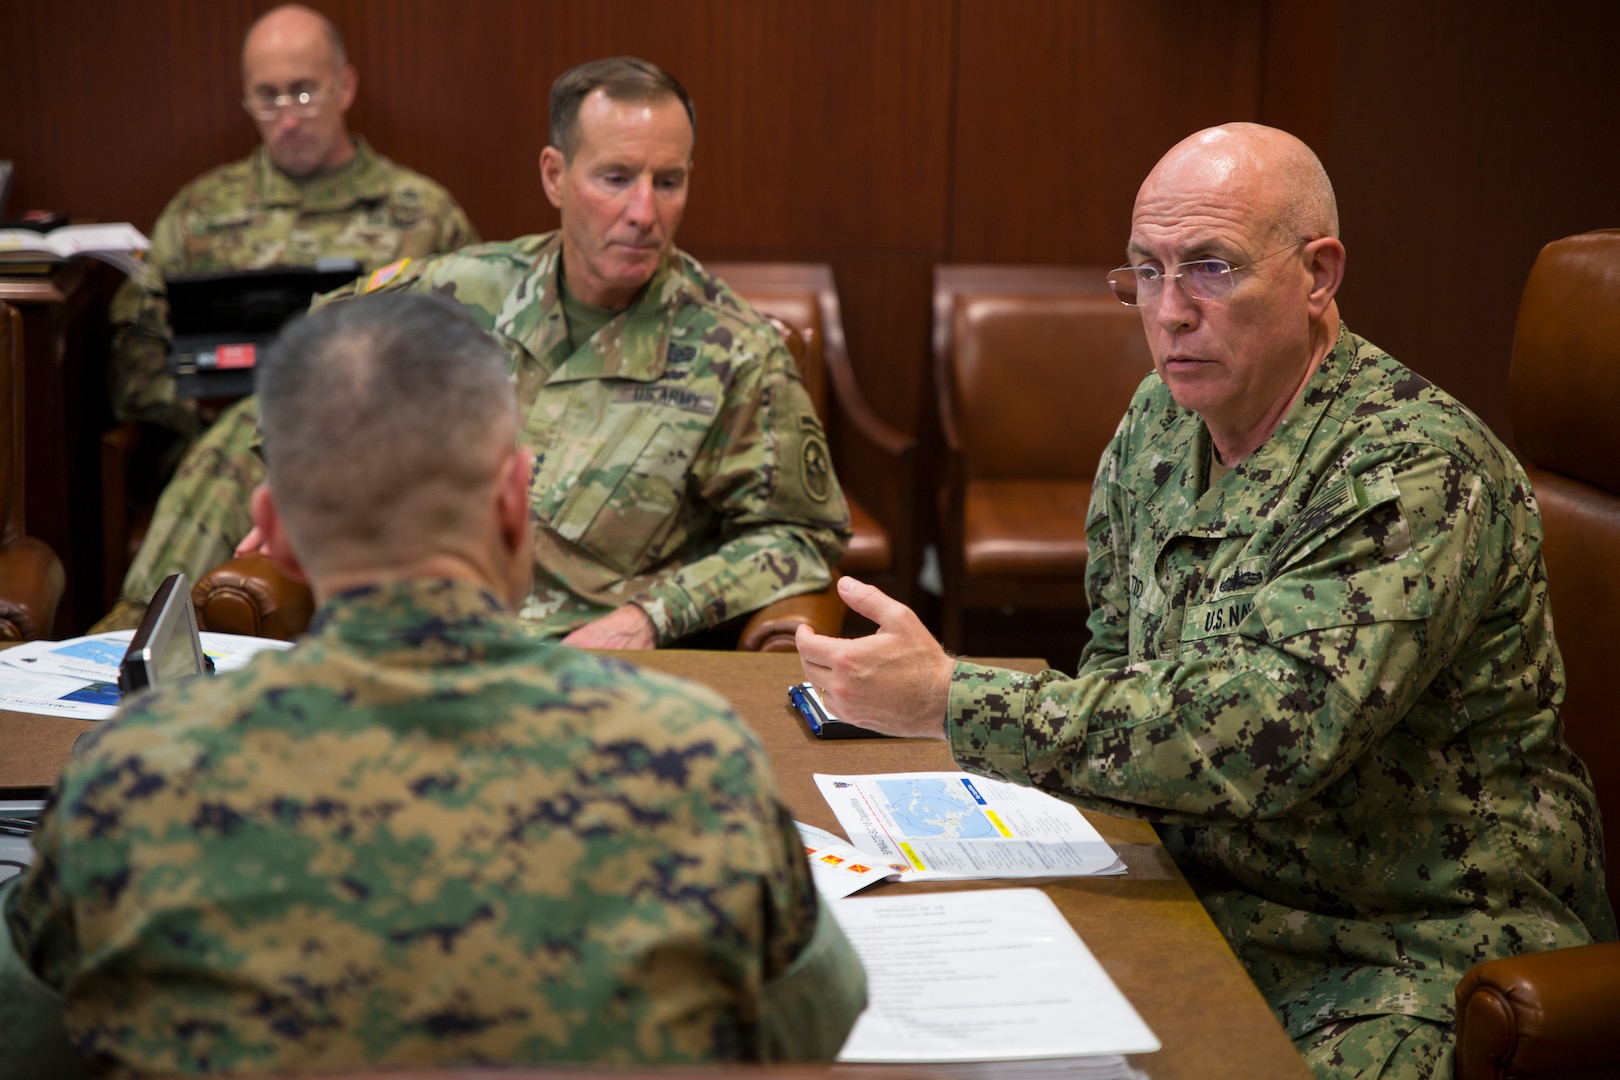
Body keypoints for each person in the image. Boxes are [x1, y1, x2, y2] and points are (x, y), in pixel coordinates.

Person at [797, 123, 1615, 1079]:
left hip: (1401, 939)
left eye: (1211, 268)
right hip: (1200, 884)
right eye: (1146, 272)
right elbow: (1116, 654)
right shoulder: (1159, 419)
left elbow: (1265, 739)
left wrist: (949, 699)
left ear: (1319, 275)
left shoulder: (1413, 470)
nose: (1171, 312)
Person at [1, 293, 866, 1078]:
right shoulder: (695, 760)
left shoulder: (128, 783)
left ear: (275, 532)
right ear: (514, 504)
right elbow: (809, 1022)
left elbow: (31, 1042)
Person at [98, 56, 849, 649]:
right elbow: (319, 342)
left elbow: (800, 534)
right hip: (418, 652)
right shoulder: (464, 289)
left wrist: (652, 617)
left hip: (585, 672)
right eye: (616, 178)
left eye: (670, 181)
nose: (644, 212)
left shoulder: (733, 348)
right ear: (556, 175)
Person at [108, 3, 477, 439]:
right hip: (233, 455)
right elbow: (134, 358)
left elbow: (478, 355)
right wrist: (207, 408)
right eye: (267, 97)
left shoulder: (426, 216)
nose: (287, 120)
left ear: (344, 86)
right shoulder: (198, 214)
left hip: (382, 451)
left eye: (304, 93)